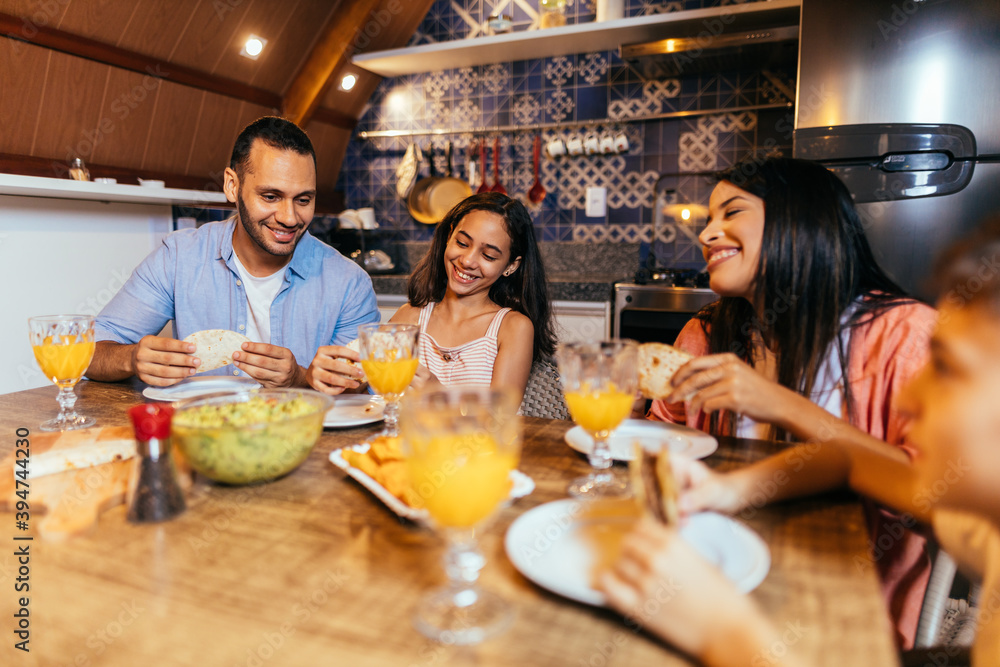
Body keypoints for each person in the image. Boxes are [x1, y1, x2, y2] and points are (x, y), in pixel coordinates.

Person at [601, 218, 1000, 666]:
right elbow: (847, 459)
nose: (907, 399)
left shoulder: (898, 330)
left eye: (946, 368)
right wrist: (727, 490)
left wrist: (722, 630)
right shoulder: (982, 528)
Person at [644, 157, 937, 647]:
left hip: (839, 612)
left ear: (799, 220)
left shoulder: (905, 336)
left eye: (730, 212)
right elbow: (662, 434)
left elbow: (936, 503)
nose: (709, 233)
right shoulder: (706, 332)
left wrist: (781, 404)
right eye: (709, 219)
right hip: (712, 580)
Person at [86, 116, 378, 393]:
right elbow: (88, 352)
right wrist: (131, 358)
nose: (290, 218)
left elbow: (365, 389)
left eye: (303, 200)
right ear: (232, 185)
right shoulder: (178, 258)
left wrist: (299, 379)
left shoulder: (349, 284)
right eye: (271, 196)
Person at [374, 192, 555, 403]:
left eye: (488, 256)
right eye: (462, 243)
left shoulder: (512, 327)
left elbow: (500, 420)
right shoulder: (409, 317)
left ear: (511, 265)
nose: (468, 261)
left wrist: (439, 395)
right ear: (449, 236)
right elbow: (376, 393)